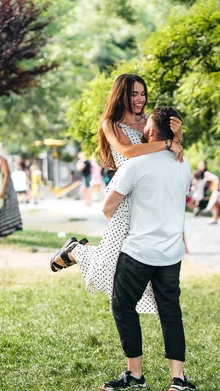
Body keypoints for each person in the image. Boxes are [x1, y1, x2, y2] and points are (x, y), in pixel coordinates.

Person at [49, 73, 184, 316]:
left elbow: (169, 155)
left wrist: (176, 137)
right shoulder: (110, 124)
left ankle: (78, 251)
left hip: (148, 197)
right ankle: (75, 251)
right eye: (134, 94)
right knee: (108, 265)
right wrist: (167, 144)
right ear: (121, 95)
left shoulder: (149, 122)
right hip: (124, 198)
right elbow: (129, 151)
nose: (140, 99)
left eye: (143, 93)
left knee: (140, 264)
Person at [100, 106, 195, 391]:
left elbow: (108, 208)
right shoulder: (184, 164)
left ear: (152, 132)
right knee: (170, 312)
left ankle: (135, 374)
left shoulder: (136, 164)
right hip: (171, 254)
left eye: (146, 125)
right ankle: (178, 379)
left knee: (122, 305)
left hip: (138, 252)